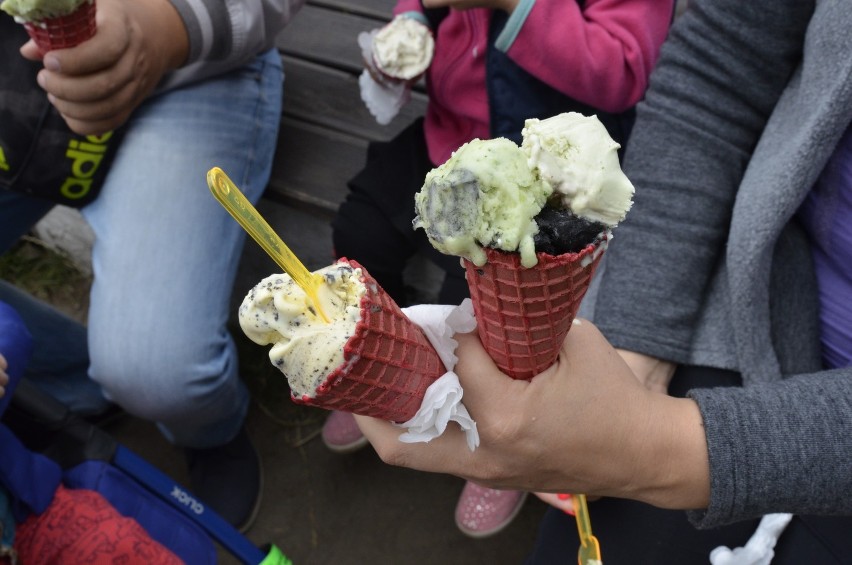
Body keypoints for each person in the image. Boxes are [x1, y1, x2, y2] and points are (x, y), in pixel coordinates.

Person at [354, 0, 852, 561]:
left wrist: (659, 453)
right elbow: (721, 71)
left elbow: (620, 66)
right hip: (750, 290)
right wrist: (638, 346)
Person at [324, 0, 675, 537]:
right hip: (450, 137)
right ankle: (382, 370)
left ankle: (500, 448)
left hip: (546, 176)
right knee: (360, 232)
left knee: (477, 321)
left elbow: (622, 70)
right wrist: (411, 25)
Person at [0, 0, 304, 532]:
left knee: (158, 371)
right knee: (115, 374)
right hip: (12, 82)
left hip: (188, 72)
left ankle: (203, 428)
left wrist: (163, 30)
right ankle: (75, 384)